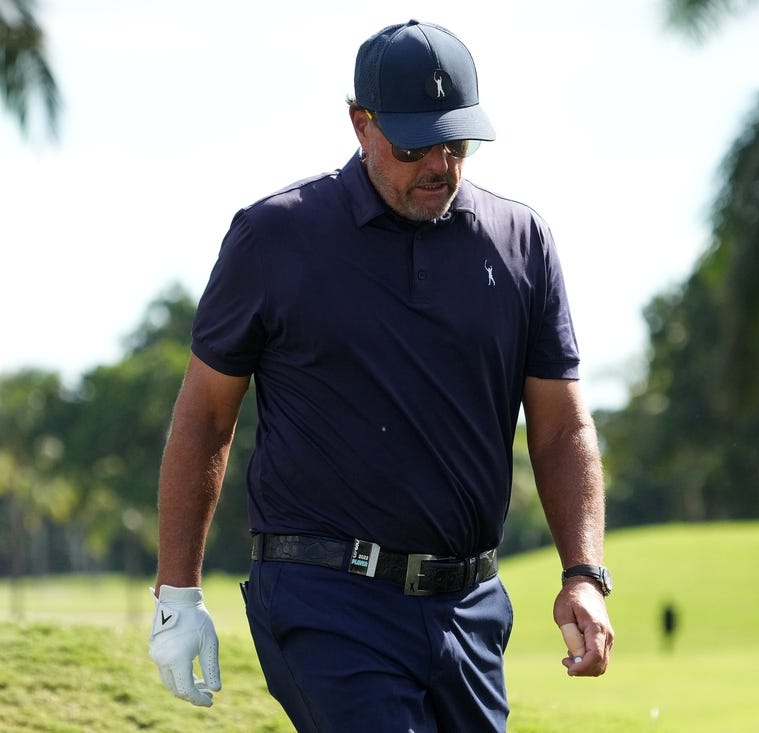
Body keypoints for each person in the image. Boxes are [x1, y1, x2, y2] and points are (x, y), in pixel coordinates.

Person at [147, 19, 614, 733]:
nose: (438, 164)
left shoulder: (522, 244)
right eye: (412, 144)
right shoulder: (274, 236)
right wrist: (177, 592)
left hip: (469, 610)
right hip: (327, 597)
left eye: (455, 142)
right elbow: (206, 415)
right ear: (360, 125)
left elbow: (561, 428)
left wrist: (583, 572)